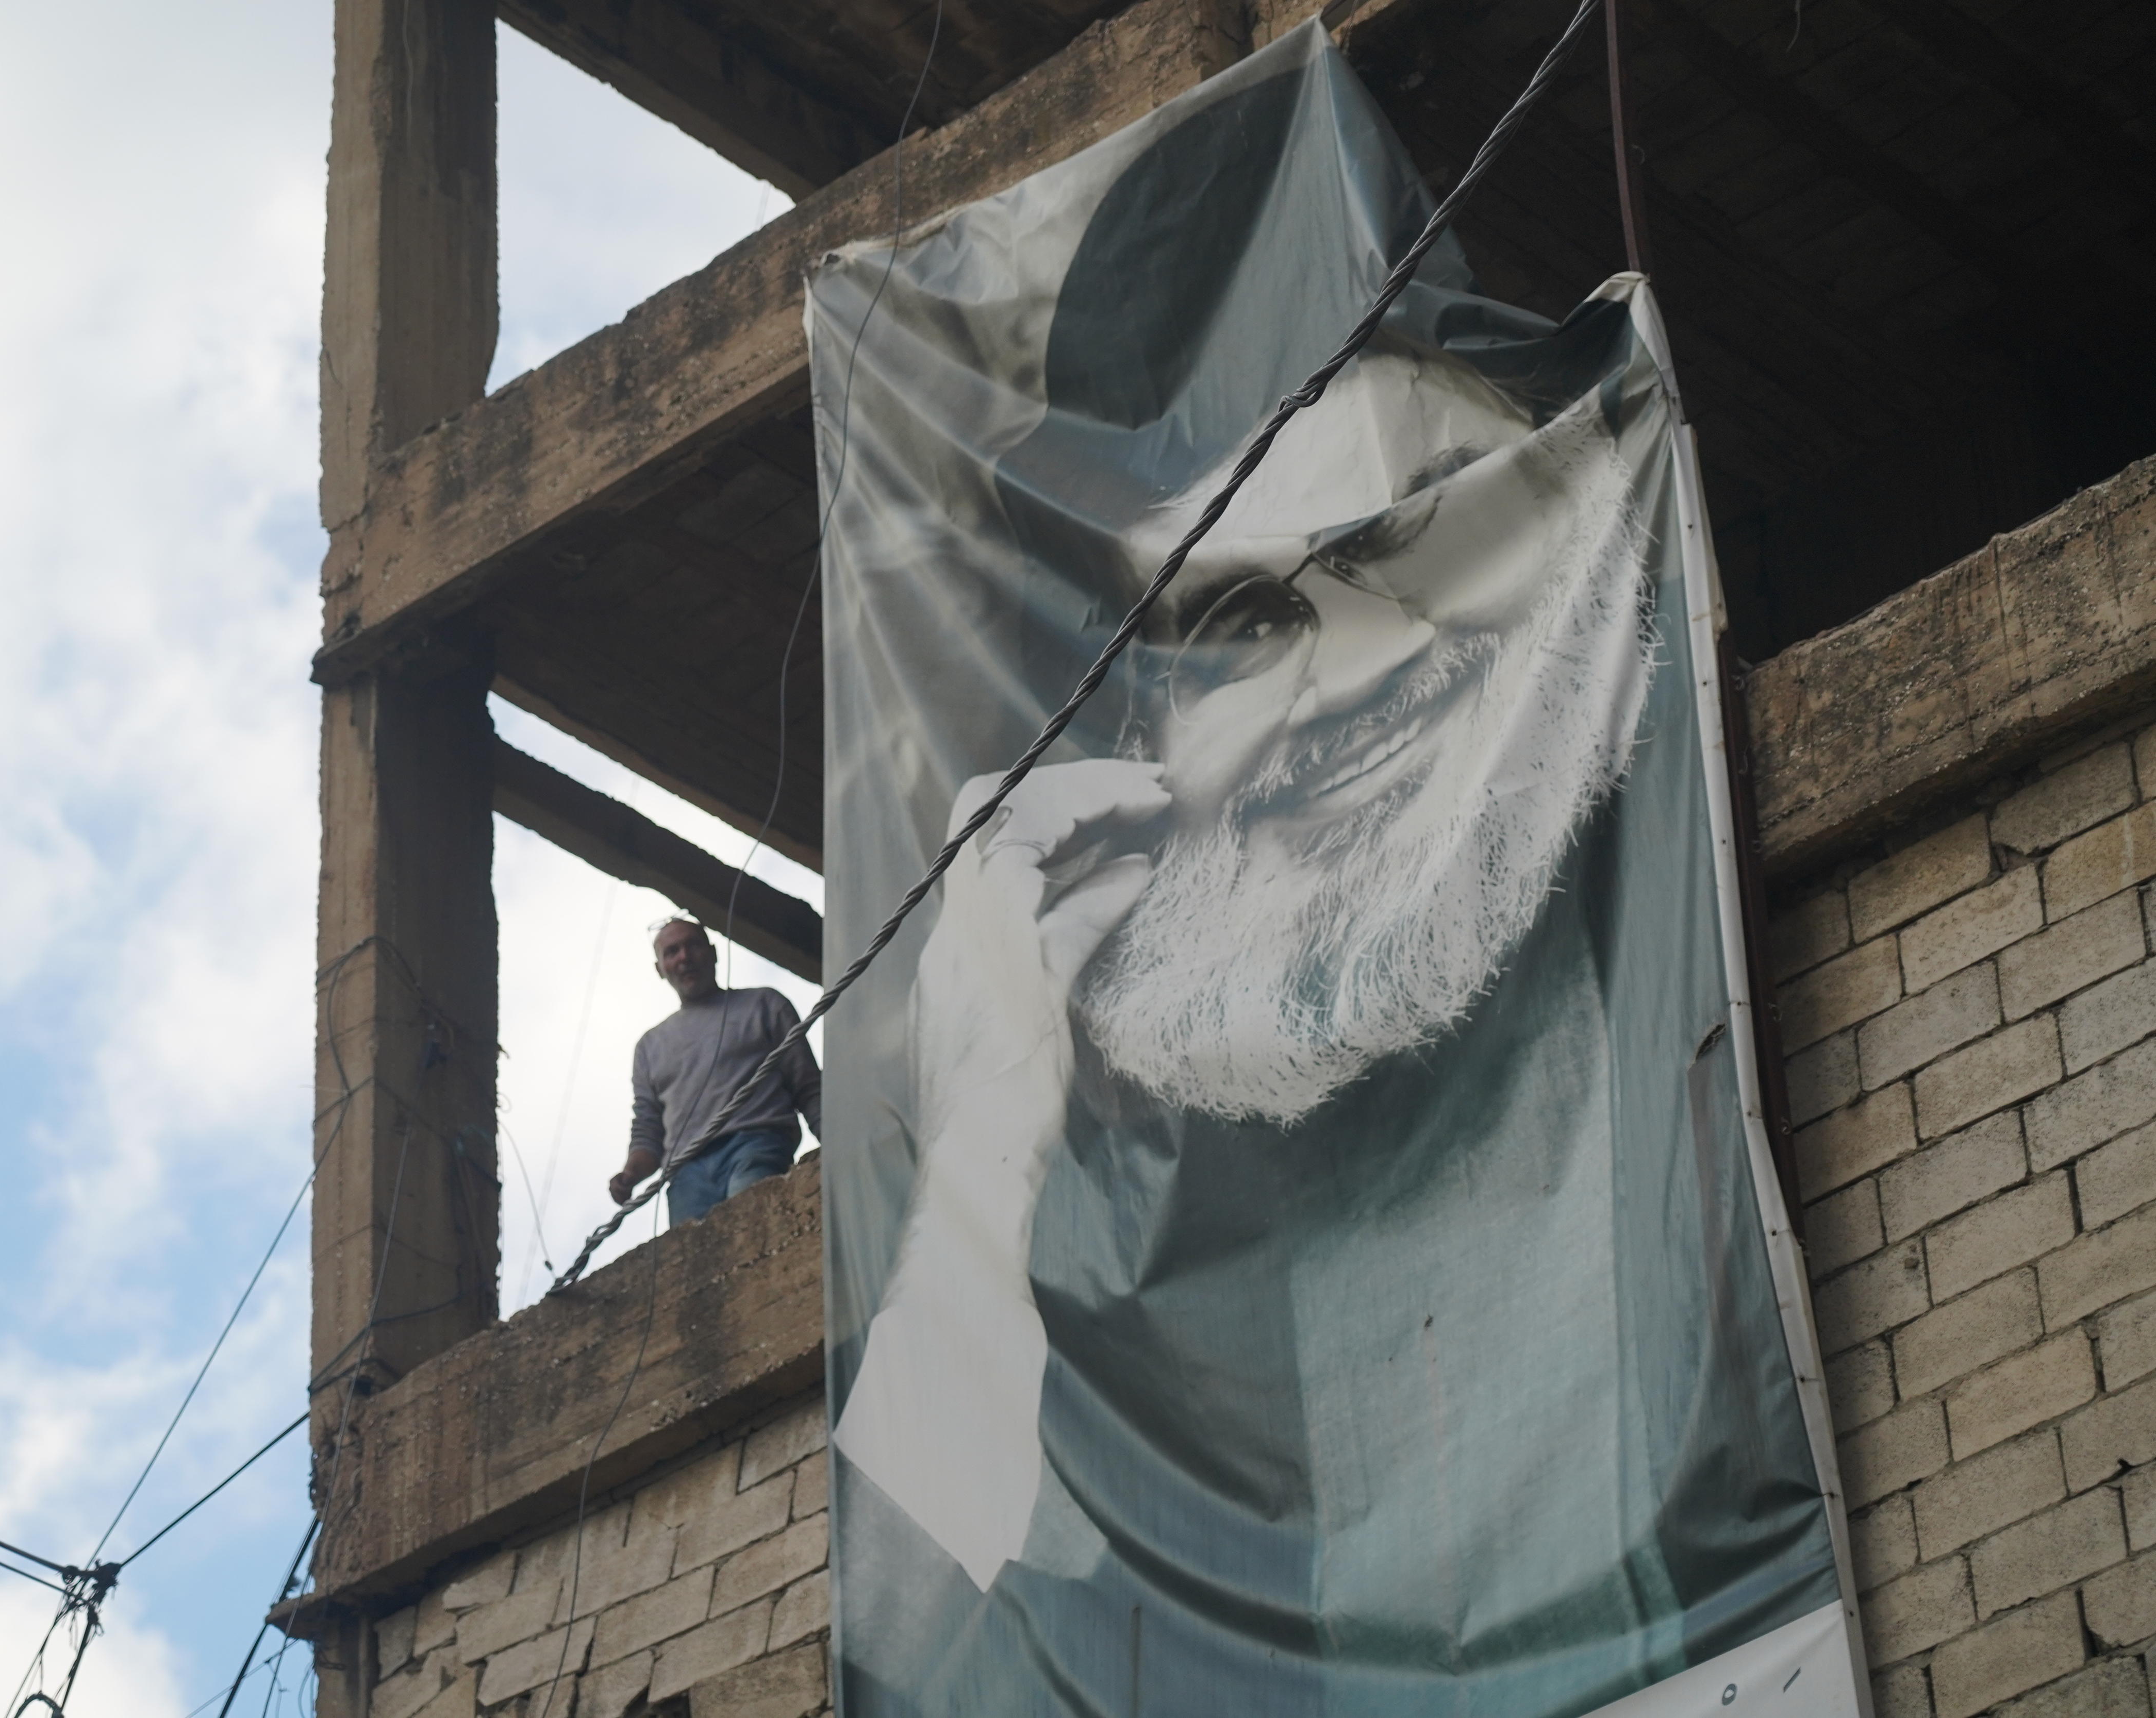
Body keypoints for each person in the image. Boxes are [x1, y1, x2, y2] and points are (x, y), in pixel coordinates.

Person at [832, 341, 1835, 1711]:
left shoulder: (1712, 956)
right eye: (1241, 622)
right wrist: (982, 1156)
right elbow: (901, 1658)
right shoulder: (1141, 1328)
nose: (1359, 668)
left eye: (1426, 541)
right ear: (1139, 750)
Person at [609, 916, 821, 1224]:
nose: (684, 957)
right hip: (686, 1174)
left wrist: (840, 1146)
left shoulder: (764, 1004)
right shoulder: (649, 1047)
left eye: (693, 945)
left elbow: (809, 1087)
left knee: (749, 1228)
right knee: (700, 1265)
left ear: (714, 953)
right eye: (672, 952)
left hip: (756, 1143)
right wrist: (630, 1175)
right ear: (660, 969)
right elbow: (648, 1130)